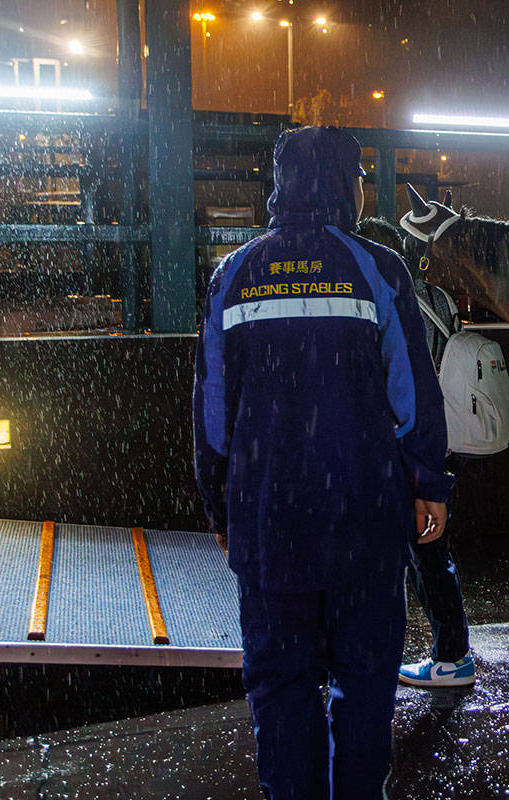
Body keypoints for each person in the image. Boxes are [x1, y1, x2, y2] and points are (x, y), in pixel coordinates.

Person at [193, 125, 452, 800]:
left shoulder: (233, 274)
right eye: (361, 176)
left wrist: (219, 503)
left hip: (268, 516)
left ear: (283, 185)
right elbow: (414, 394)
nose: (365, 188)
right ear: (343, 184)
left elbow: (211, 413)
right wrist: (427, 479)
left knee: (280, 685)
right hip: (363, 516)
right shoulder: (379, 268)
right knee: (365, 682)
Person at [356, 215, 477, 689]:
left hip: (408, 442)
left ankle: (451, 654)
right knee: (429, 548)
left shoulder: (380, 296)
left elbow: (400, 382)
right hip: (446, 433)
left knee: (421, 551)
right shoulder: (438, 297)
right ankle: (447, 648)